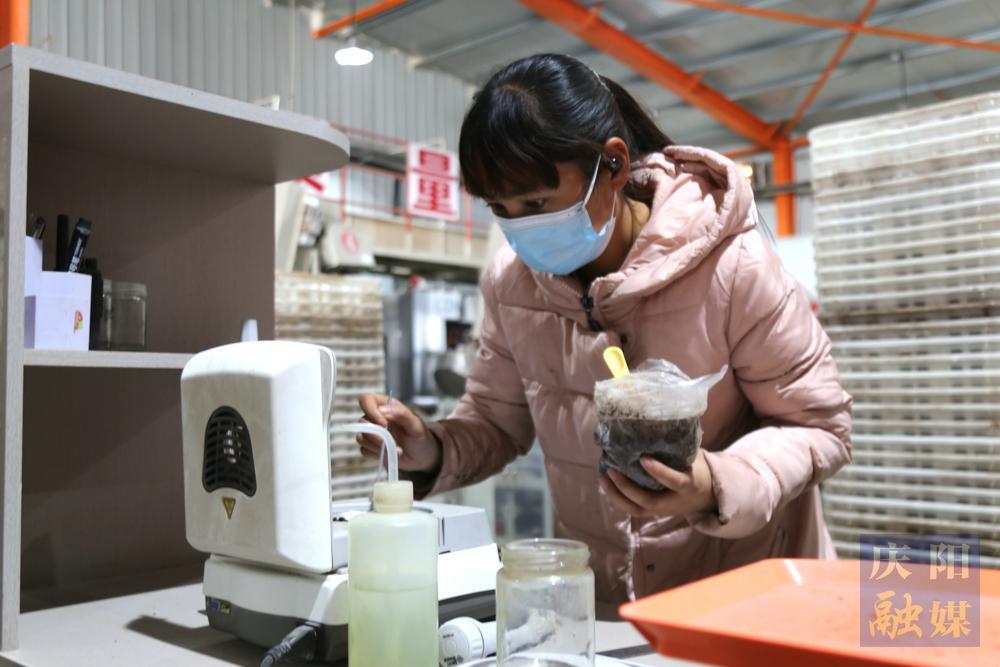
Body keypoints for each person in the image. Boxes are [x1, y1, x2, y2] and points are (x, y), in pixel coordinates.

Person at [358, 53, 852, 606]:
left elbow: (818, 427)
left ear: (613, 165)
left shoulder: (732, 268)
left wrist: (713, 484)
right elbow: (497, 423)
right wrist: (431, 447)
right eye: (502, 209)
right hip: (610, 607)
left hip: (745, 596)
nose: (522, 228)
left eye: (537, 202)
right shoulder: (513, 285)